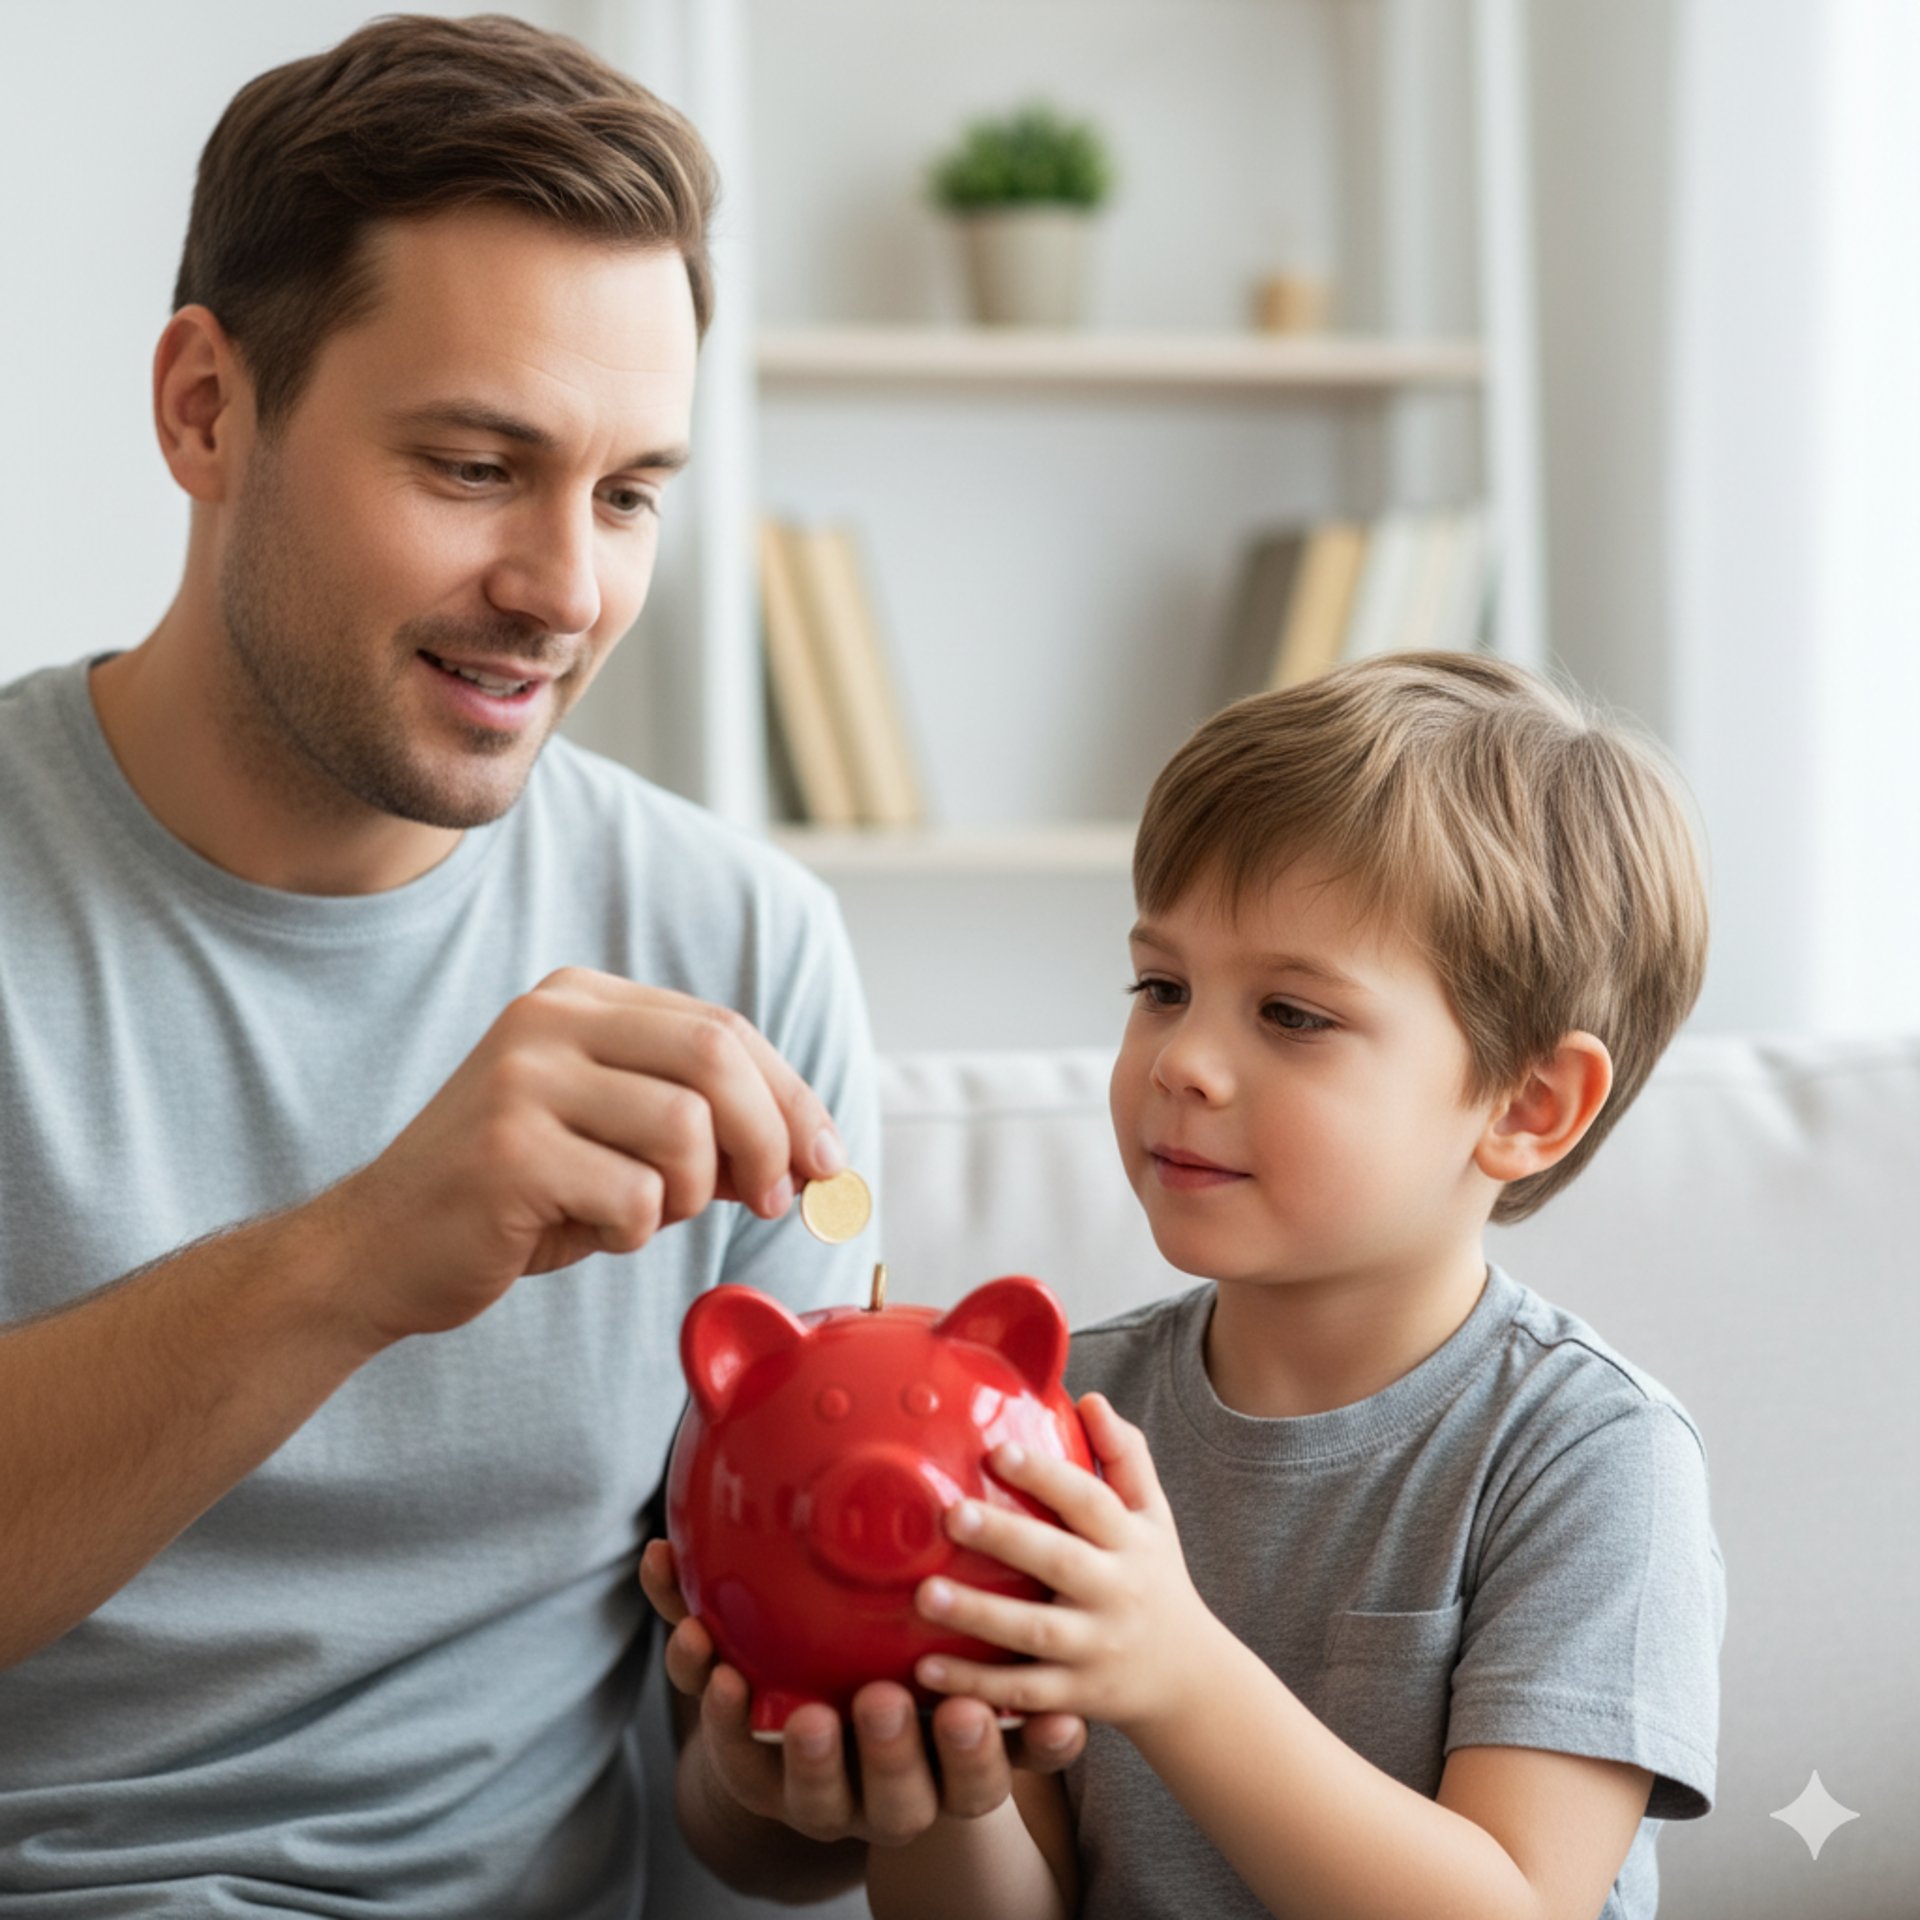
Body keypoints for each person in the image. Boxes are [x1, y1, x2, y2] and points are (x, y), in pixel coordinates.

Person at [0, 16, 1076, 1916]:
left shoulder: (737, 949)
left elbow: (737, 1816)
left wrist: (799, 1756)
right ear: (204, 410)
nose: (567, 587)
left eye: (633, 491)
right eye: (478, 464)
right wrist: (351, 1261)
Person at [864, 652, 1726, 1920]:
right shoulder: (1057, 1417)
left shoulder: (1592, 1457)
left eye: (1292, 1014)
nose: (1184, 1062)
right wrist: (945, 1771)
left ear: (1529, 1106)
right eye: (1162, 989)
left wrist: (1175, 1670)